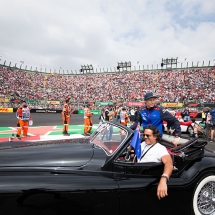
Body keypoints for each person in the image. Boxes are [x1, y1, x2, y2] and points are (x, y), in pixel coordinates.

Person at [138, 125, 173, 200]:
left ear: (155, 136)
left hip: (148, 177)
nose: (145, 137)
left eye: (148, 135)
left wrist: (164, 179)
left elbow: (169, 163)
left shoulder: (160, 149)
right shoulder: (142, 144)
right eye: (144, 135)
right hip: (137, 174)